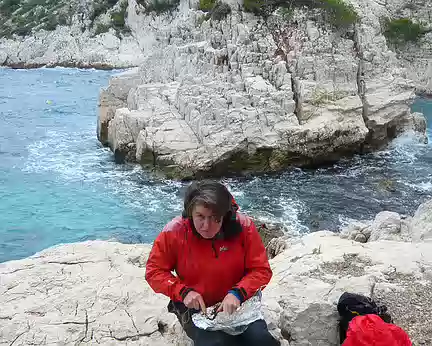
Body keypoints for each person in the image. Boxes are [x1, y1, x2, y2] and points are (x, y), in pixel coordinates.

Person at [145, 180, 280, 346]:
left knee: (261, 341)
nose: (206, 226)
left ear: (225, 215)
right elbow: (154, 271)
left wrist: (238, 293)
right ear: (190, 213)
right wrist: (183, 292)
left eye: (215, 218)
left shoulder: (244, 227)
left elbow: (261, 270)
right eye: (200, 216)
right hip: (195, 307)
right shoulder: (174, 232)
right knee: (216, 343)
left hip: (239, 301)